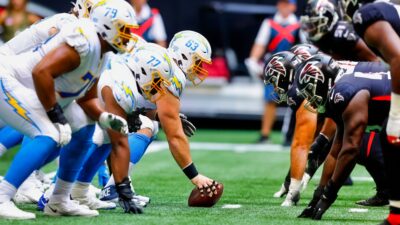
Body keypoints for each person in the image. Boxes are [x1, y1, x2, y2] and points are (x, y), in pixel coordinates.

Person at [0, 0, 137, 219]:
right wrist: (56, 114)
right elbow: (41, 73)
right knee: (49, 133)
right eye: (124, 29)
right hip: (7, 79)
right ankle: (3, 196)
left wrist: (103, 117)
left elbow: (86, 98)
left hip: (32, 89)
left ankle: (59, 199)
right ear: (105, 26)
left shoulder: (103, 53)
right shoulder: (84, 41)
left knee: (84, 125)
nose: (128, 36)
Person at [296, 53, 391, 220]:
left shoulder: (344, 91)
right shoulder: (342, 89)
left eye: (311, 90)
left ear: (324, 82)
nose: (310, 100)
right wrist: (318, 195)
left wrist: (328, 197)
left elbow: (350, 150)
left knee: (366, 146)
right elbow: (336, 150)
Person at [341, 1, 400, 223]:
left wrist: (396, 114)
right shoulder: (383, 11)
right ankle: (396, 215)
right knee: (388, 138)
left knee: (391, 134)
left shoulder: (366, 16)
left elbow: (398, 57)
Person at [245, 0, 300, 143]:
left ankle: (292, 135)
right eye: (282, 3)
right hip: (273, 67)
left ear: (293, 6)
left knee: (295, 101)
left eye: (287, 4)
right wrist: (253, 60)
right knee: (269, 100)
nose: (284, 7)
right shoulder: (269, 23)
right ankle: (265, 134)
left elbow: (305, 48)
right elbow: (260, 44)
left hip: (294, 68)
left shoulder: (299, 25)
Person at [300, 0, 378, 61]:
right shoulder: (317, 38)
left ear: (326, 20)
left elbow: (375, 59)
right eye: (309, 25)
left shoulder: (343, 32)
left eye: (314, 24)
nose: (310, 29)